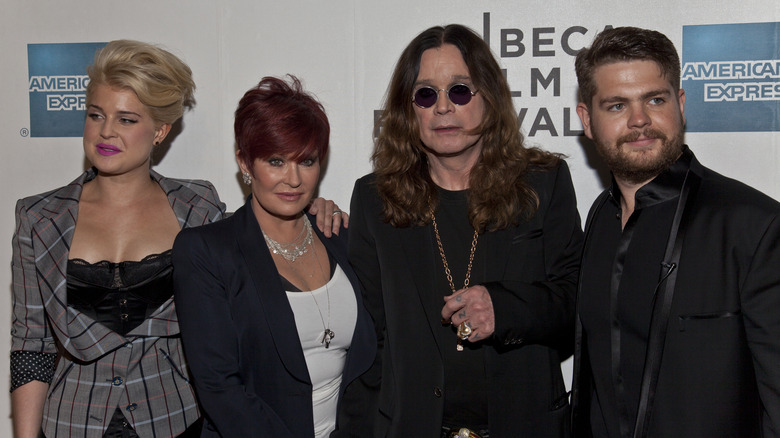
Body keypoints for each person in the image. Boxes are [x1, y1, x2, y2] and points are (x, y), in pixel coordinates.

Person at [10, 42, 346, 438]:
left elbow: (255, 237)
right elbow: (31, 344)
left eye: (126, 120)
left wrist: (310, 208)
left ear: (161, 130)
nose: (105, 132)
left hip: (175, 420)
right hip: (72, 423)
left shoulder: (196, 206)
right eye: (95, 115)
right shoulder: (40, 217)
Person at [340, 24, 583, 437]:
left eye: (459, 90)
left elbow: (578, 300)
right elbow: (369, 336)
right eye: (425, 94)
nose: (443, 108)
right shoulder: (374, 198)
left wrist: (504, 307)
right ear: (408, 110)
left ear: (488, 96)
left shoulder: (542, 181)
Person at [571, 27, 780, 437]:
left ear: (680, 104)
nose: (639, 120)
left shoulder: (753, 225)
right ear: (587, 120)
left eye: (655, 99)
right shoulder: (599, 217)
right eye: (616, 105)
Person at [171, 75, 376, 438]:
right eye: (276, 161)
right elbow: (219, 386)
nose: (294, 179)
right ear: (246, 164)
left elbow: (374, 358)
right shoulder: (207, 251)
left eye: (307, 161)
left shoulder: (341, 236)